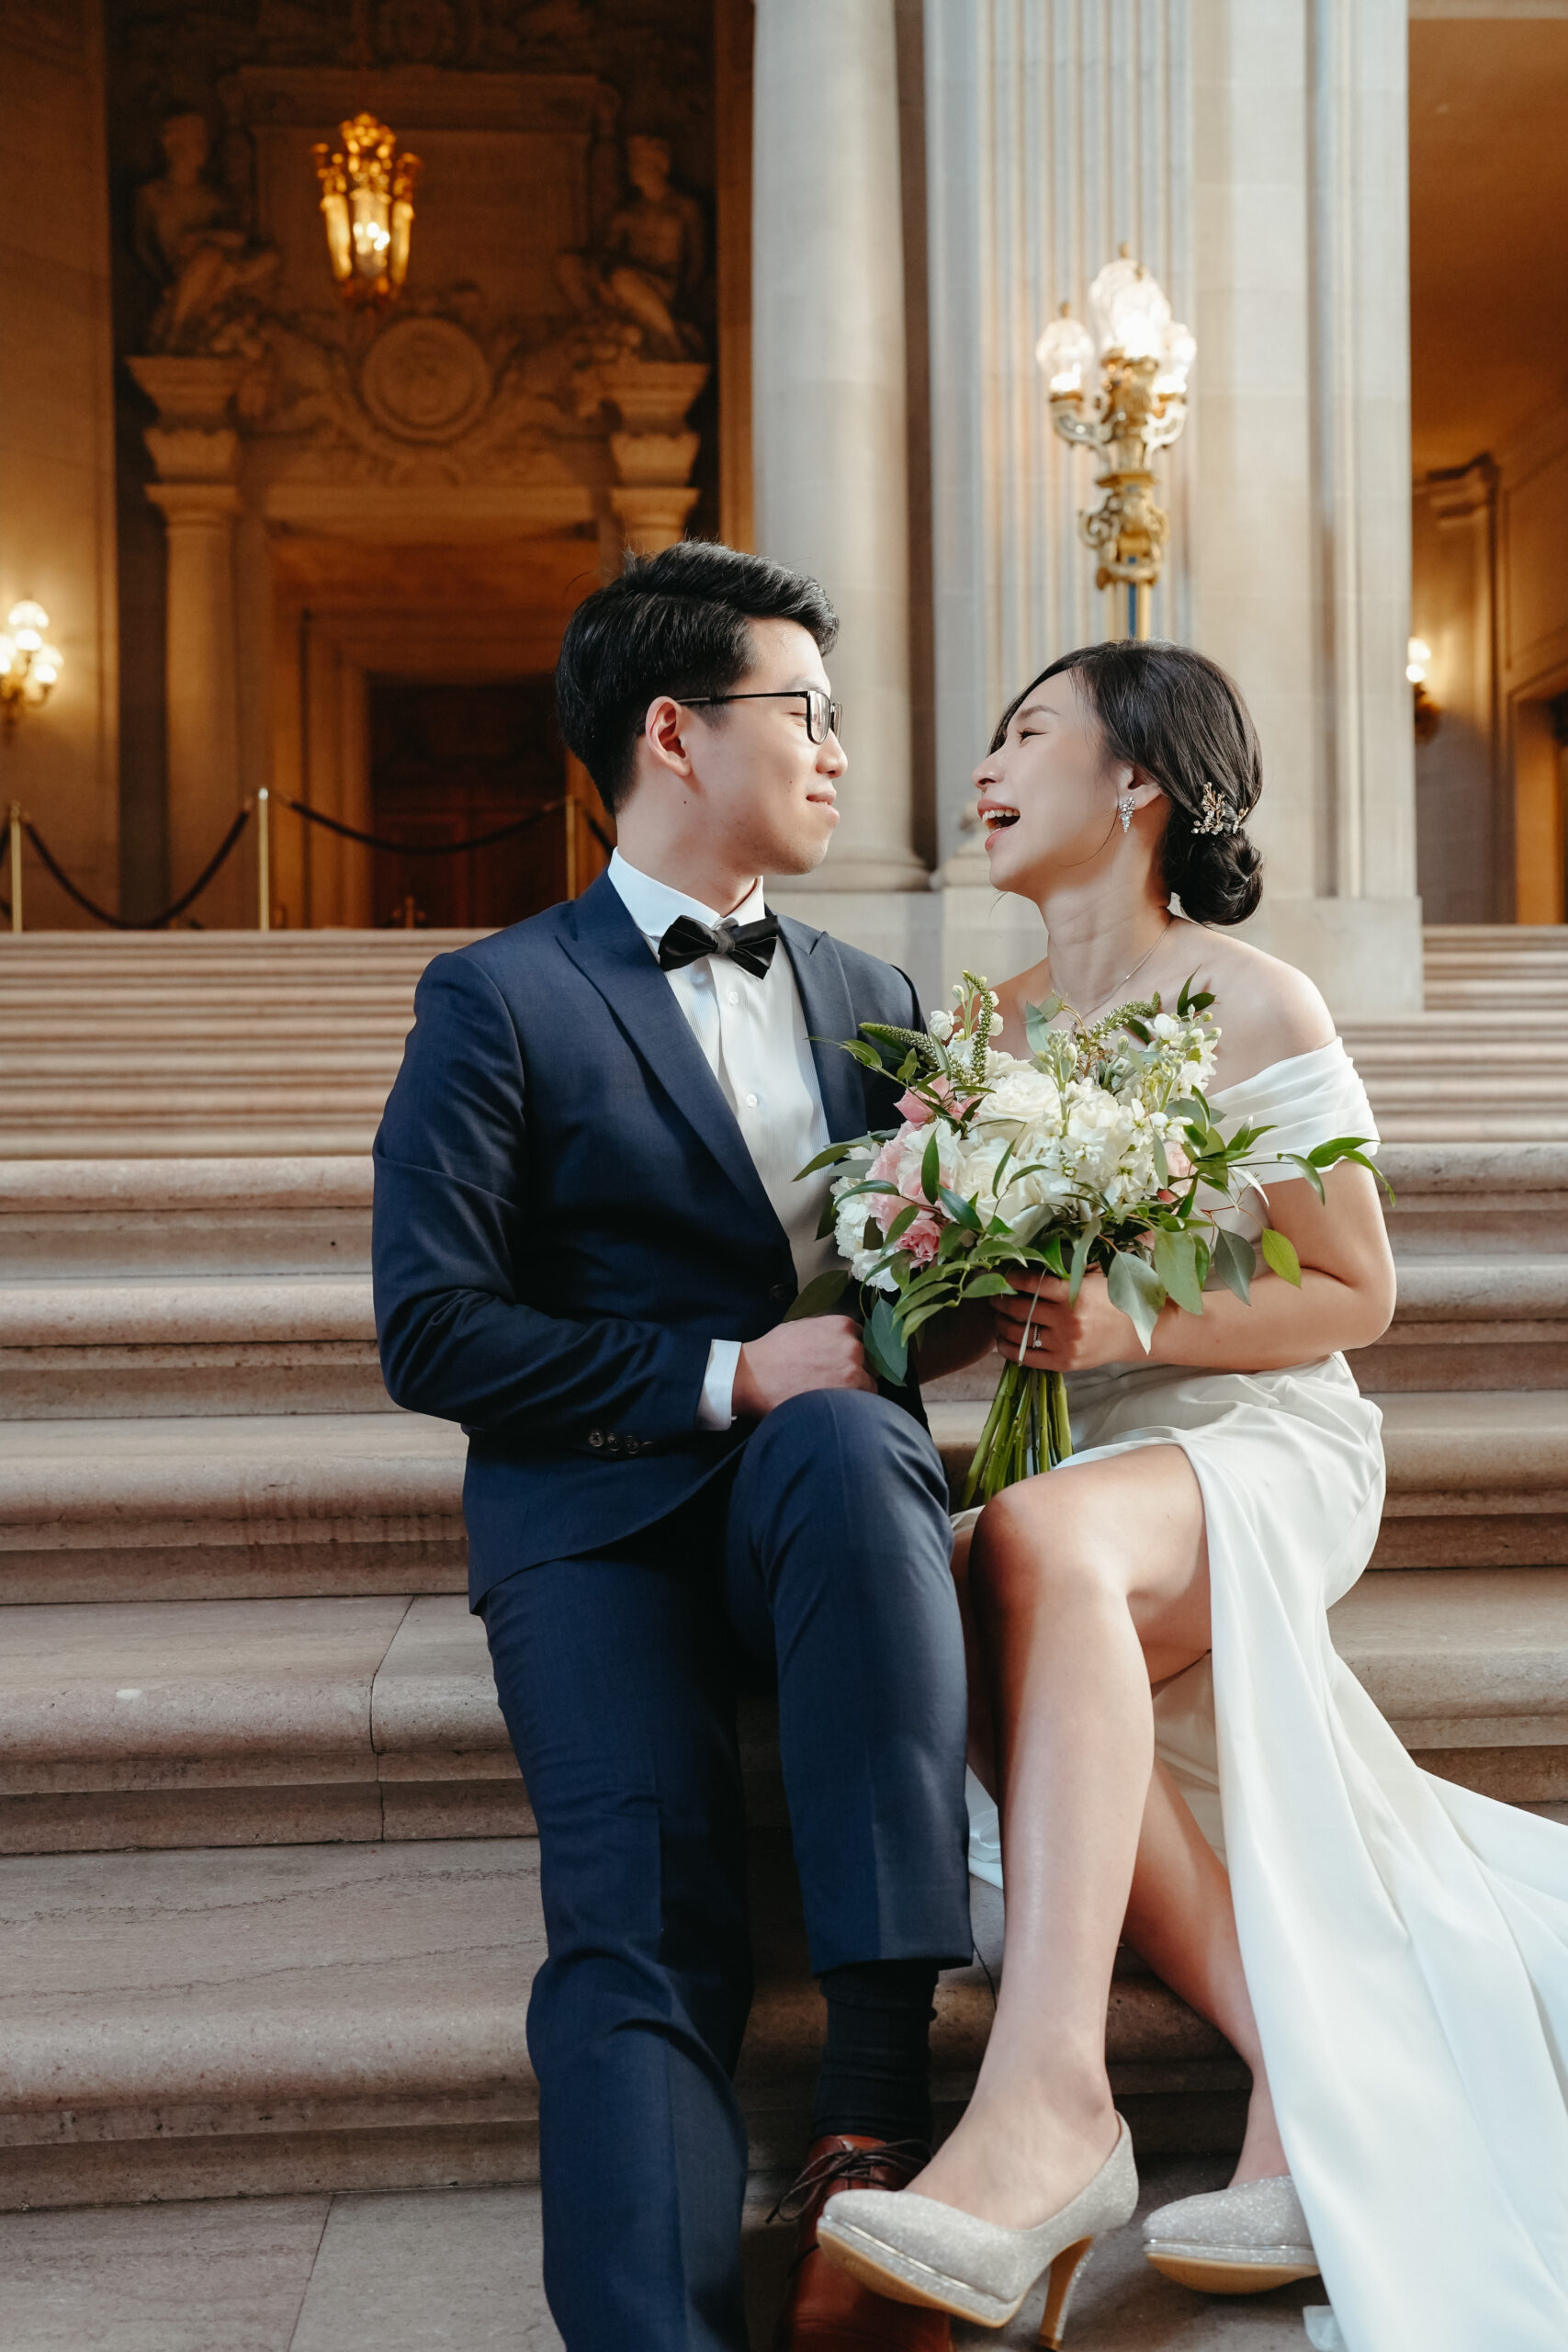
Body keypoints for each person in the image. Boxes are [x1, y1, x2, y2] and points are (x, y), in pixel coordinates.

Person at [816, 640, 1568, 2351]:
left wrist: (1127, 1312)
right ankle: (1313, 2072)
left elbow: (1355, 1290)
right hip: (1081, 1450)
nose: (986, 770)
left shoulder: (1253, 999)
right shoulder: (979, 1030)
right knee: (987, 1578)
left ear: (1138, 778)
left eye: (1028, 735)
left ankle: (1047, 2106)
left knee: (1026, 1542)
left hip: (1263, 1431)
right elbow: (926, 1297)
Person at [372, 540, 972, 2352]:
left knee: (861, 1441)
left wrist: (982, 1278)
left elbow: (913, 1299)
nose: (838, 749)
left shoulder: (873, 987)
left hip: (825, 1506)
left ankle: (872, 2100)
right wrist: (722, 1368)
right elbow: (433, 1326)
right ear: (672, 733)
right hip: (598, 1516)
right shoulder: (501, 996)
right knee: (631, 1931)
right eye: (804, 711)